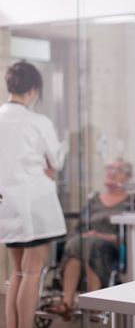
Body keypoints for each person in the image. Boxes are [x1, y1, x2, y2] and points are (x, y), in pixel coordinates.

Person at [0, 61, 67, 328]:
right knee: (32, 272)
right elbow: (56, 161)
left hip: (7, 206)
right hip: (36, 204)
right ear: (33, 90)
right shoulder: (38, 121)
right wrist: (49, 164)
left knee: (16, 272)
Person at [46, 159, 132, 319]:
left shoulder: (130, 202)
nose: (111, 173)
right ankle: (67, 303)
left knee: (92, 245)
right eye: (110, 168)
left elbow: (131, 237)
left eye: (117, 170)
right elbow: (80, 227)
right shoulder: (95, 200)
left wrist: (99, 235)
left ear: (127, 177)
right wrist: (85, 235)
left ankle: (95, 305)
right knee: (75, 242)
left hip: (113, 246)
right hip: (86, 244)